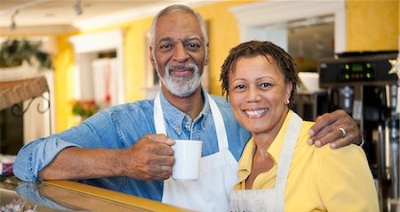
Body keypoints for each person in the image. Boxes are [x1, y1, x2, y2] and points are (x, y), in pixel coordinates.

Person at [14, 4, 363, 212]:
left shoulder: (239, 115)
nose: (180, 56)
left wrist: (345, 126)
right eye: (167, 45)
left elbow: (292, 135)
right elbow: (29, 161)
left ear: (206, 51)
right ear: (152, 55)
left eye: (192, 44)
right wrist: (125, 161)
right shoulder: (122, 122)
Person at [220, 40, 379, 211]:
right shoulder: (242, 159)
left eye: (265, 84)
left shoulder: (328, 145)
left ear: (288, 89)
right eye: (240, 86)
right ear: (230, 96)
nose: (252, 97)